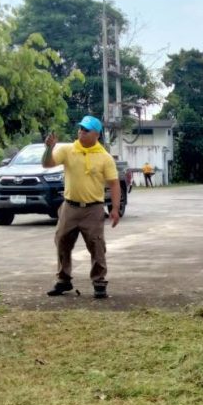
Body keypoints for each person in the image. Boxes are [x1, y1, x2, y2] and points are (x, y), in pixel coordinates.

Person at [44, 115, 121, 299]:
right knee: (61, 241)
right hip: (69, 206)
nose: (81, 132)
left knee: (96, 245)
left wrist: (115, 208)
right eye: (80, 128)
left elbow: (114, 183)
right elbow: (47, 164)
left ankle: (99, 282)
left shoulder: (105, 157)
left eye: (86, 130)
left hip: (93, 209)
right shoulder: (68, 150)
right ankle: (63, 280)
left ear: (96, 134)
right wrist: (49, 148)